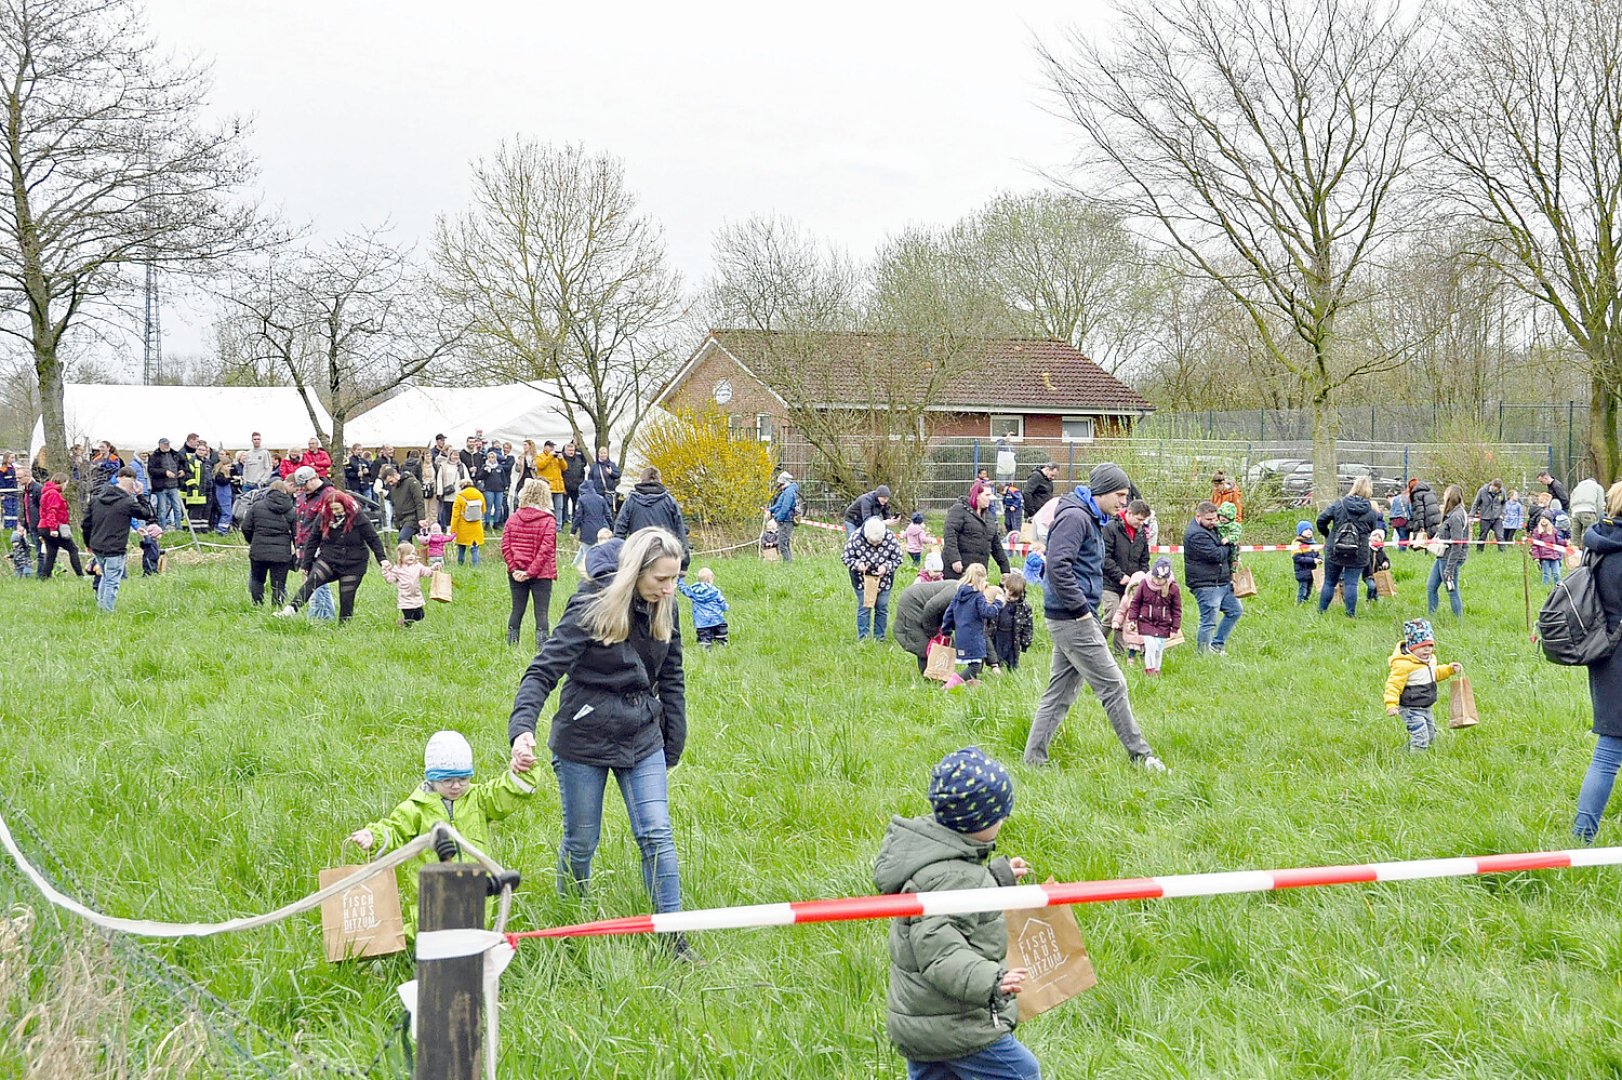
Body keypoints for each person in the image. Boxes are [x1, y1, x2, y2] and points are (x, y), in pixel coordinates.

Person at [507, 528, 691, 953]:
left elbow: (672, 676)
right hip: (584, 737)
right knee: (581, 840)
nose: (669, 588)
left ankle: (673, 939)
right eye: (661, 579)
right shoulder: (592, 603)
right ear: (635, 572)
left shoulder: (668, 605)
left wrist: (672, 742)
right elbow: (542, 670)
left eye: (675, 578)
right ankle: (569, 933)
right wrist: (522, 730)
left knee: (657, 834)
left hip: (643, 736)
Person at [874, 747, 1040, 1080]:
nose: (1003, 822)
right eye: (999, 817)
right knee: (1022, 1072)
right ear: (974, 823)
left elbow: (957, 902)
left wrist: (996, 879)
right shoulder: (953, 876)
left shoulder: (939, 856)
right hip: (958, 1023)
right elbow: (939, 951)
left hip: (924, 1019)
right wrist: (991, 980)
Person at [1024, 462, 1165, 771]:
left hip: (1068, 616)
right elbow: (1058, 566)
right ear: (1100, 491)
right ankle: (1142, 757)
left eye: (1126, 495)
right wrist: (1081, 612)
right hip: (1072, 618)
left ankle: (1033, 761)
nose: (1124, 502)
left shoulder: (1090, 516)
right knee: (1114, 686)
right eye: (1120, 494)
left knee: (1059, 693)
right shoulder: (1076, 517)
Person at [347, 730, 536, 936]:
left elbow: (506, 792)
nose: (456, 786)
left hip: (474, 890)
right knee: (429, 932)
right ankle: (403, 952)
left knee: (472, 933)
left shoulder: (479, 799)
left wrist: (524, 770)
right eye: (447, 781)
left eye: (463, 779)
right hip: (434, 894)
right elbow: (395, 828)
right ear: (431, 778)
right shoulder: (416, 808)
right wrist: (374, 835)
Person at [1573, 482, 1622, 841]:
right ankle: (1581, 836)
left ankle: (1581, 837)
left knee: (1608, 751)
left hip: (1605, 655)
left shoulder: (1597, 545)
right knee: (1608, 753)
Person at [277, 489, 389, 622]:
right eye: (332, 509)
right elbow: (313, 540)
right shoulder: (324, 516)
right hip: (329, 558)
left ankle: (343, 628)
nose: (335, 512)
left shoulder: (358, 517)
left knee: (346, 598)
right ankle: (290, 609)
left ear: (345, 505)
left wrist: (383, 560)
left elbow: (373, 539)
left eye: (337, 508)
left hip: (354, 563)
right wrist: (305, 563)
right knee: (312, 580)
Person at [81, 467, 158, 612]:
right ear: (131, 490)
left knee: (105, 575)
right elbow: (148, 514)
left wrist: (88, 543)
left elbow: (86, 524)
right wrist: (141, 495)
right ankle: (107, 611)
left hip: (97, 545)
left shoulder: (96, 500)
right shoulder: (127, 502)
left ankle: (101, 605)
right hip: (115, 547)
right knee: (112, 581)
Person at [1383, 618, 1463, 753]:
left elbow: (1434, 673)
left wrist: (1449, 670)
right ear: (1412, 647)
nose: (1427, 650)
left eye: (1430, 646)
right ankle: (1415, 761)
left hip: (1426, 707)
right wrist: (1391, 704)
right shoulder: (1404, 665)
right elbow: (1393, 685)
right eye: (1421, 646)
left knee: (1430, 734)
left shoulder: (1429, 661)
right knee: (1420, 736)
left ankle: (1405, 752)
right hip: (1410, 708)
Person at [500, 479, 559, 649]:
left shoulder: (513, 518)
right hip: (542, 573)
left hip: (516, 572)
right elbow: (546, 550)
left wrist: (514, 569)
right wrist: (531, 572)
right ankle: (542, 649)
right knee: (541, 612)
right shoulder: (549, 520)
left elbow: (505, 546)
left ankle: (511, 646)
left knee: (517, 609)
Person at [1316, 475, 1380, 617]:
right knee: (1352, 584)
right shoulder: (1371, 511)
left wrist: (1328, 534)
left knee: (1329, 582)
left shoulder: (1339, 504)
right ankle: (1350, 614)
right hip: (1358, 552)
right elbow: (1372, 528)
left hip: (1335, 549)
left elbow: (1321, 519)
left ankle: (1321, 612)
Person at [1184, 501, 1240, 653]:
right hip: (1205, 584)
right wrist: (1230, 545)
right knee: (1208, 621)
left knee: (1235, 610)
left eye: (1215, 518)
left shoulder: (1214, 528)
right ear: (1198, 516)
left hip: (1222, 581)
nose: (1213, 522)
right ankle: (1203, 655)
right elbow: (1216, 555)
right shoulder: (1196, 535)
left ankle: (1217, 645)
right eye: (1209, 519)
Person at [939, 564, 1003, 689]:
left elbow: (949, 613)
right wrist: (998, 603)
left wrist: (946, 631)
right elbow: (987, 613)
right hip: (974, 636)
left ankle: (970, 686)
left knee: (974, 663)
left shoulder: (959, 594)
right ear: (981, 579)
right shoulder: (977, 596)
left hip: (961, 636)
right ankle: (950, 686)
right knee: (975, 666)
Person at [614, 467, 691, 570]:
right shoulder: (669, 501)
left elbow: (620, 530)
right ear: (660, 480)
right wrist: (684, 562)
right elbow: (680, 530)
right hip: (664, 553)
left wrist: (617, 558)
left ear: (642, 480)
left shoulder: (631, 501)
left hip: (639, 553)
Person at [842, 516, 905, 642]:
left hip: (884, 580)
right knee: (864, 608)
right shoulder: (855, 537)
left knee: (882, 607)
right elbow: (845, 557)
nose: (875, 544)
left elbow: (898, 558)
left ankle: (880, 637)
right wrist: (857, 565)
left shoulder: (890, 537)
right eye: (872, 542)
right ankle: (863, 638)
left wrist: (886, 567)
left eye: (879, 542)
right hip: (861, 580)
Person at [1101, 499, 1151, 650]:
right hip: (1109, 582)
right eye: (1139, 519)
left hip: (1132, 584)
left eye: (1143, 520)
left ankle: (1119, 651)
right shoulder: (1111, 528)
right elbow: (1104, 556)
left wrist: (1142, 578)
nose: (1141, 523)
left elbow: (1144, 559)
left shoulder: (1141, 533)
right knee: (1113, 614)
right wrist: (1120, 575)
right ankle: (1094, 644)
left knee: (1126, 617)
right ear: (1129, 513)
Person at [241, 478, 298, 607]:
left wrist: (253, 540)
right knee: (279, 585)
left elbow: (245, 527)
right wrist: (297, 550)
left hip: (258, 551)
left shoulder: (257, 506)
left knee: (257, 580)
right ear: (284, 491)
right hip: (282, 554)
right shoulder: (291, 510)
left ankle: (257, 606)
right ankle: (277, 608)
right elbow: (297, 534)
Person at [943, 480, 1010, 581]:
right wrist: (954, 559)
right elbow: (950, 535)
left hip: (979, 572)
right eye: (986, 495)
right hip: (958, 571)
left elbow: (996, 545)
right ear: (977, 495)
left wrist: (1005, 569)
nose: (989, 499)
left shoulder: (989, 517)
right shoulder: (958, 510)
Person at [1127, 557, 1181, 678]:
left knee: (1159, 649)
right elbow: (1136, 602)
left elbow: (1176, 609)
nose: (1157, 582)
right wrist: (1132, 619)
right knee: (1150, 645)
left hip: (1163, 623)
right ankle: (1149, 669)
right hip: (1146, 621)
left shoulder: (1173, 588)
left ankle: (1157, 670)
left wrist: (1174, 628)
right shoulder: (1145, 583)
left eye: (1161, 580)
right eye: (1155, 578)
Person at [894, 577, 959, 675]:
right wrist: (932, 632)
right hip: (913, 603)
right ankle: (928, 676)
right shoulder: (955, 592)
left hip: (930, 611)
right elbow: (931, 607)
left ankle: (940, 674)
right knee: (923, 643)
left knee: (945, 643)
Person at [1427, 484, 1469, 619]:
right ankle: (1432, 616)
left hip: (1449, 558)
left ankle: (1458, 620)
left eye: (1445, 494)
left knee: (1452, 590)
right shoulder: (1451, 514)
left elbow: (1457, 544)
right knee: (1431, 586)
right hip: (1442, 556)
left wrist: (1450, 568)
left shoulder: (1456, 517)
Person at [37, 472, 83, 579]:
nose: (66, 487)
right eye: (66, 484)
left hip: (43, 526)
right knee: (73, 549)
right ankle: (80, 575)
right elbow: (51, 511)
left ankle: (44, 577)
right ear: (61, 483)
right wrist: (53, 528)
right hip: (52, 526)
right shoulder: (54, 494)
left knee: (52, 552)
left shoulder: (46, 492)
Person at [987, 572, 1034, 675]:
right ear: (1005, 588)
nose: (1011, 598)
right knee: (996, 657)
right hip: (997, 635)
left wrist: (1025, 642)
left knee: (1012, 661)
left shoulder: (1024, 607)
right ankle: (996, 673)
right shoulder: (998, 602)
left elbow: (1028, 625)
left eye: (1015, 596)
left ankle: (1011, 675)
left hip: (1013, 638)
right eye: (1009, 593)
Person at [381, 542, 435, 627]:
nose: (411, 556)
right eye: (407, 554)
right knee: (409, 618)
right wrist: (386, 571)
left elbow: (426, 572)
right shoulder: (397, 569)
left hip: (417, 596)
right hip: (405, 598)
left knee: (420, 616)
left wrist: (433, 568)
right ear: (400, 557)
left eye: (413, 554)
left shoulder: (418, 566)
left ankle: (402, 622)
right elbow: (390, 579)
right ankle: (406, 627)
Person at [677, 566, 730, 646]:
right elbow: (721, 601)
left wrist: (680, 580)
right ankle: (721, 643)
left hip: (701, 622)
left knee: (704, 637)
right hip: (716, 619)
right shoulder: (714, 591)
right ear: (711, 579)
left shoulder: (694, 591)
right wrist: (725, 607)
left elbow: (684, 589)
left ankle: (705, 647)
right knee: (721, 634)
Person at [572, 479, 613, 566]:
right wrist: (611, 527)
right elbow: (608, 515)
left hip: (587, 529)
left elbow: (578, 517)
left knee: (587, 552)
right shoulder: (601, 498)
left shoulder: (581, 499)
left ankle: (589, 568)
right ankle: (574, 565)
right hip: (600, 528)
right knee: (584, 548)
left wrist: (573, 531)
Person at [147, 438, 185, 530]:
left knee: (177, 508)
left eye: (168, 444)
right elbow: (151, 470)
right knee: (162, 509)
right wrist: (164, 472)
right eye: (165, 444)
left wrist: (182, 470)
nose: (167, 446)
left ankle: (179, 528)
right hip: (161, 487)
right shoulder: (154, 456)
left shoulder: (175, 454)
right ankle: (162, 529)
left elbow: (183, 464)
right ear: (160, 445)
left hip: (174, 486)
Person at [383, 467, 426, 546]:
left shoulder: (412, 482)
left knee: (402, 540)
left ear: (395, 475)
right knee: (407, 546)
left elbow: (419, 501)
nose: (390, 484)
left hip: (412, 517)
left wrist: (421, 518)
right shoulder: (394, 489)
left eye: (391, 481)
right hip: (401, 520)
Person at [767, 471, 802, 564]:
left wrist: (777, 518)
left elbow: (785, 508)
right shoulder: (786, 492)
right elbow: (779, 505)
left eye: (780, 483)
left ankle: (788, 564)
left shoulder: (789, 492)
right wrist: (769, 510)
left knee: (783, 544)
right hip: (785, 520)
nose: (779, 485)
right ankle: (788, 563)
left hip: (786, 521)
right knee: (785, 543)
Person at [449, 479, 486, 566]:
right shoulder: (479, 494)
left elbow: (455, 515)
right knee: (475, 548)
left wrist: (453, 529)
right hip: (476, 526)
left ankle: (460, 565)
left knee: (461, 548)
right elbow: (484, 510)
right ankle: (476, 567)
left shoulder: (460, 496)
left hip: (463, 527)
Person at [533, 441, 566, 521]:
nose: (552, 448)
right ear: (545, 447)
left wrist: (561, 460)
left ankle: (558, 525)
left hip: (558, 486)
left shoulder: (556, 457)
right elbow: (540, 465)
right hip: (547, 486)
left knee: (559, 507)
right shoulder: (540, 456)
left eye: (553, 447)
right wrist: (550, 457)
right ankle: (547, 522)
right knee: (547, 507)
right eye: (550, 446)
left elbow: (564, 468)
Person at [1470, 479, 1506, 552]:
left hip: (1497, 518)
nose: (1497, 491)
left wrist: (1502, 514)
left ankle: (1502, 553)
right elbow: (1476, 504)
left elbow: (1504, 503)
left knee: (1500, 536)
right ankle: (1479, 552)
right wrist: (1471, 515)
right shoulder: (1482, 491)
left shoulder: (1502, 491)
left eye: (1498, 490)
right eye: (1496, 490)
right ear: (1492, 486)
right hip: (1485, 518)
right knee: (1482, 536)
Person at [434, 450, 465, 531]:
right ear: (450, 456)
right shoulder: (443, 466)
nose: (456, 457)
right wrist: (439, 491)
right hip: (448, 493)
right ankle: (448, 528)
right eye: (454, 455)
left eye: (457, 455)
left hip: (459, 492)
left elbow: (466, 478)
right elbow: (439, 478)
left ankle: (457, 528)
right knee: (447, 511)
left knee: (458, 512)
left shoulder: (462, 466)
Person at [1290, 521, 1319, 604]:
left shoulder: (1313, 543)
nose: (1309, 531)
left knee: (1309, 588)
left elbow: (1317, 554)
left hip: (1312, 571)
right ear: (1300, 532)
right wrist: (1313, 560)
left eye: (1310, 529)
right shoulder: (1297, 543)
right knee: (1303, 588)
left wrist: (1319, 559)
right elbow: (1297, 558)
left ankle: (1305, 602)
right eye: (1306, 529)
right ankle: (1299, 603)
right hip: (1302, 571)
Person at [1571, 476, 1606, 544]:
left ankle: (1576, 552)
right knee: (1588, 536)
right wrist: (1598, 519)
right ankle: (1587, 553)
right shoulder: (1597, 487)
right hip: (1588, 511)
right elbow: (1600, 505)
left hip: (1575, 512)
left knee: (1575, 538)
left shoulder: (1577, 488)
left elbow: (1571, 499)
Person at [1407, 478, 1441, 545]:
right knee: (1433, 539)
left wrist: (1421, 525)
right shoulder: (1431, 491)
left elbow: (1420, 510)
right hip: (1435, 517)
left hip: (1426, 519)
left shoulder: (1417, 494)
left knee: (1425, 542)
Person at [559, 441, 586, 529]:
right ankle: (562, 524)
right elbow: (559, 474)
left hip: (577, 487)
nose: (571, 452)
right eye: (569, 450)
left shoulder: (579, 460)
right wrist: (562, 486)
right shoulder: (561, 460)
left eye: (572, 450)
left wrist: (581, 484)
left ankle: (576, 524)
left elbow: (582, 472)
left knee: (577, 507)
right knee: (562, 506)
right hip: (565, 488)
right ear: (565, 450)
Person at [1531, 516, 1564, 585]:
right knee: (1546, 574)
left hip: (1554, 556)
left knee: (1556, 574)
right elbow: (1535, 545)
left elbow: (1558, 541)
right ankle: (1544, 587)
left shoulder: (1554, 531)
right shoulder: (1537, 531)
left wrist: (1566, 543)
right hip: (1544, 556)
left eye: (1545, 518)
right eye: (1542, 518)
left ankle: (1557, 586)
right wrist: (1536, 557)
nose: (1543, 520)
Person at [481, 450, 510, 530]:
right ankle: (487, 523)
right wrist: (485, 471)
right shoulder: (485, 466)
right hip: (489, 489)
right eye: (489, 457)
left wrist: (505, 486)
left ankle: (496, 523)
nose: (491, 459)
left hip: (499, 490)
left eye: (493, 457)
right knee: (488, 506)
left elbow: (503, 477)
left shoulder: (499, 467)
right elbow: (480, 476)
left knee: (498, 507)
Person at [587, 447, 621, 512]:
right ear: (598, 454)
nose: (603, 455)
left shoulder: (611, 465)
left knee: (608, 512)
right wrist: (592, 489)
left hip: (609, 493)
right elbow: (590, 478)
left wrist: (611, 473)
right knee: (598, 511)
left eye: (604, 453)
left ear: (607, 454)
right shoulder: (594, 466)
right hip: (598, 493)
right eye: (601, 453)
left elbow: (618, 475)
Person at [1365, 528, 1392, 604]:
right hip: (1367, 574)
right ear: (1370, 537)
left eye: (1379, 537)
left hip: (1378, 575)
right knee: (1371, 586)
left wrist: (1386, 563)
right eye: (1374, 536)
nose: (1376, 538)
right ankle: (1368, 600)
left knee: (1377, 588)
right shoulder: (1367, 549)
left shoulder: (1381, 552)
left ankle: (1375, 600)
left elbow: (1386, 560)